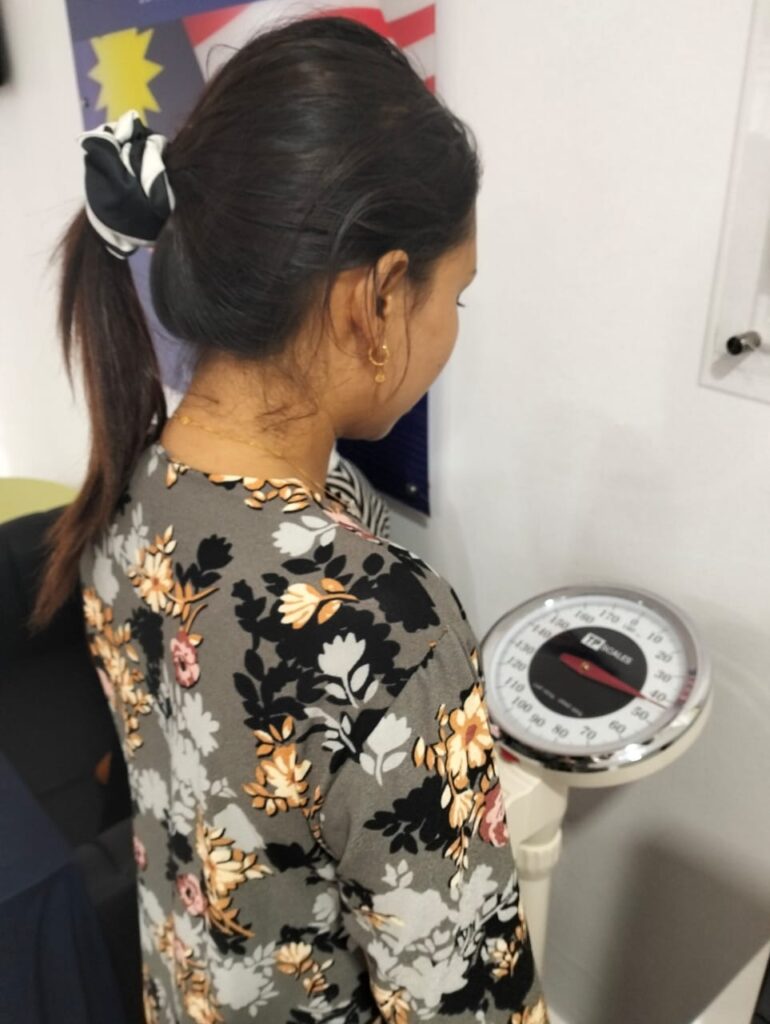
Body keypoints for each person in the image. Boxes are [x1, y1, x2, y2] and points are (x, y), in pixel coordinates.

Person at [32, 14, 548, 1024]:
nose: (451, 330)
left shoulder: (133, 484)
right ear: (378, 299)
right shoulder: (388, 631)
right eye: (456, 297)